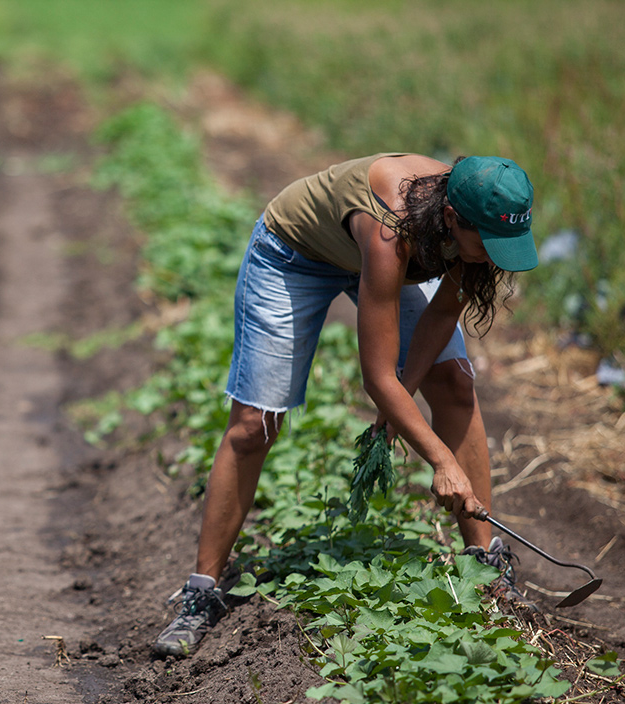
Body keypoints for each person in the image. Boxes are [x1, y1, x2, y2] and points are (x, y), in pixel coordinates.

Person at [154, 153, 540, 657]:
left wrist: (403, 395)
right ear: (450, 219)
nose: (493, 257)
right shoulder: (392, 229)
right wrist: (441, 460)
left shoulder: (480, 202)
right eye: (487, 246)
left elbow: (441, 315)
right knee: (254, 425)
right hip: (291, 256)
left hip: (379, 256)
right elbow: (376, 377)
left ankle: (486, 562)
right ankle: (201, 593)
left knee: (454, 384)